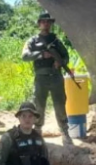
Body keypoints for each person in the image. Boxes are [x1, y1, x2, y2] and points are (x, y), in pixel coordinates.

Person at [21, 12, 74, 147]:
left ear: (51, 24)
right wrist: (40, 54)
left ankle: (65, 133)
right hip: (41, 78)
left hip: (56, 76)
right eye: (43, 22)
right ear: (39, 24)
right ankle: (37, 132)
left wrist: (59, 62)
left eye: (48, 22)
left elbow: (66, 56)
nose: (46, 24)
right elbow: (25, 56)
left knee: (60, 105)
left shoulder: (56, 41)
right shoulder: (32, 41)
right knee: (39, 106)